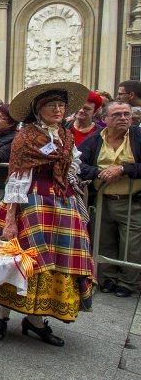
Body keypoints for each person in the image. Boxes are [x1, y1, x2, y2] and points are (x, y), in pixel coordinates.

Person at [0, 82, 94, 347]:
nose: (57, 109)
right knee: (24, 260)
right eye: (51, 105)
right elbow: (17, 177)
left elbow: (70, 170)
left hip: (61, 205)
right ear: (38, 109)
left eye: (61, 105)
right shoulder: (26, 136)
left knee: (55, 261)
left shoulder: (66, 136)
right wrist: (10, 220)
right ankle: (2, 314)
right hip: (30, 203)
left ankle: (36, 320)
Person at [79, 100, 141, 298]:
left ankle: (127, 282)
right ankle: (106, 278)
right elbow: (78, 164)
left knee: (131, 244)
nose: (123, 118)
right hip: (102, 201)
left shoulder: (138, 137)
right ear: (104, 119)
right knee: (103, 240)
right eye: (117, 115)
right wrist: (99, 173)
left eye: (126, 114)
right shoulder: (94, 139)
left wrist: (124, 169)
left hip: (131, 201)